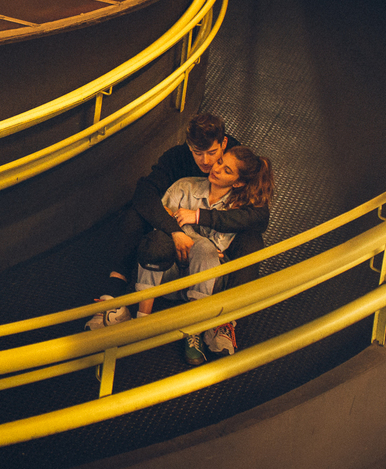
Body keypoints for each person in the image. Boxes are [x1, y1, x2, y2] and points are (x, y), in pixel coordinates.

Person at [85, 113, 269, 330]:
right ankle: (112, 298)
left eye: (213, 154)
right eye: (197, 153)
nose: (208, 162)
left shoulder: (236, 159)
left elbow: (259, 216)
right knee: (134, 215)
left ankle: (228, 321)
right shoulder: (177, 159)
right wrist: (174, 230)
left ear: (224, 144)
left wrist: (202, 219)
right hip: (175, 229)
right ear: (189, 147)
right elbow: (145, 194)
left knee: (252, 241)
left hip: (216, 234)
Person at [134, 145, 274, 365]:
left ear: (237, 183)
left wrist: (189, 224)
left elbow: (216, 248)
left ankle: (194, 330)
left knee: (205, 250)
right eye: (220, 162)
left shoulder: (237, 208)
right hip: (169, 277)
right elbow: (161, 222)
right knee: (157, 241)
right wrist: (177, 233)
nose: (216, 169)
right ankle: (141, 320)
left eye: (227, 170)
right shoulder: (185, 186)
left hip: (207, 282)